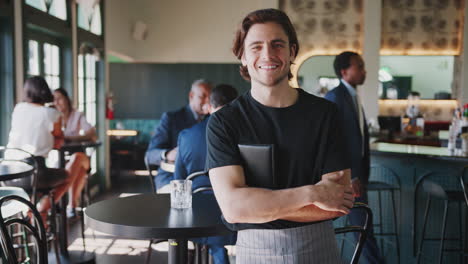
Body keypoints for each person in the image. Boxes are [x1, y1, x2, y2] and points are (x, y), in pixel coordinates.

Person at [206, 9, 354, 263]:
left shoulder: (325, 113)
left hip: (319, 246)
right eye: (256, 47)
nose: (267, 54)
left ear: (292, 52)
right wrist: (313, 194)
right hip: (254, 249)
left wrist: (259, 205)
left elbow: (339, 201)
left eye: (277, 44)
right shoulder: (224, 122)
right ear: (242, 56)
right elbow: (233, 208)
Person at [325, 51, 383, 263]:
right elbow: (334, 143)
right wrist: (351, 177)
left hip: (358, 176)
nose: (364, 70)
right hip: (348, 178)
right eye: (359, 66)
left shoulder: (353, 96)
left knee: (364, 230)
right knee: (362, 231)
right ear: (344, 72)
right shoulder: (335, 97)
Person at [7, 76, 90, 222]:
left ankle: (35, 216)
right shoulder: (52, 114)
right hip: (34, 173)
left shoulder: (18, 108)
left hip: (9, 174)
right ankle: (43, 209)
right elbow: (58, 143)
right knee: (67, 176)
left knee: (42, 185)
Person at [174, 84, 238, 264]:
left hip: (197, 219)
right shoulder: (246, 135)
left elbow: (179, 180)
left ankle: (217, 254)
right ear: (236, 106)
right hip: (236, 218)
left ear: (209, 106)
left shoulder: (186, 136)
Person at [146, 79, 212, 193]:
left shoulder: (213, 120)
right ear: (191, 96)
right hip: (171, 179)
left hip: (204, 180)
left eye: (210, 98)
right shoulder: (171, 118)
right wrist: (167, 154)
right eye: (202, 96)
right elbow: (149, 155)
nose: (207, 101)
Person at [53, 87, 96, 214]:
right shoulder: (53, 117)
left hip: (81, 156)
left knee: (76, 159)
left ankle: (56, 201)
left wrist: (69, 138)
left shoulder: (77, 115)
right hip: (61, 161)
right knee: (78, 170)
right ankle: (72, 205)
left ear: (66, 99)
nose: (57, 103)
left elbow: (91, 133)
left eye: (59, 98)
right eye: (54, 100)